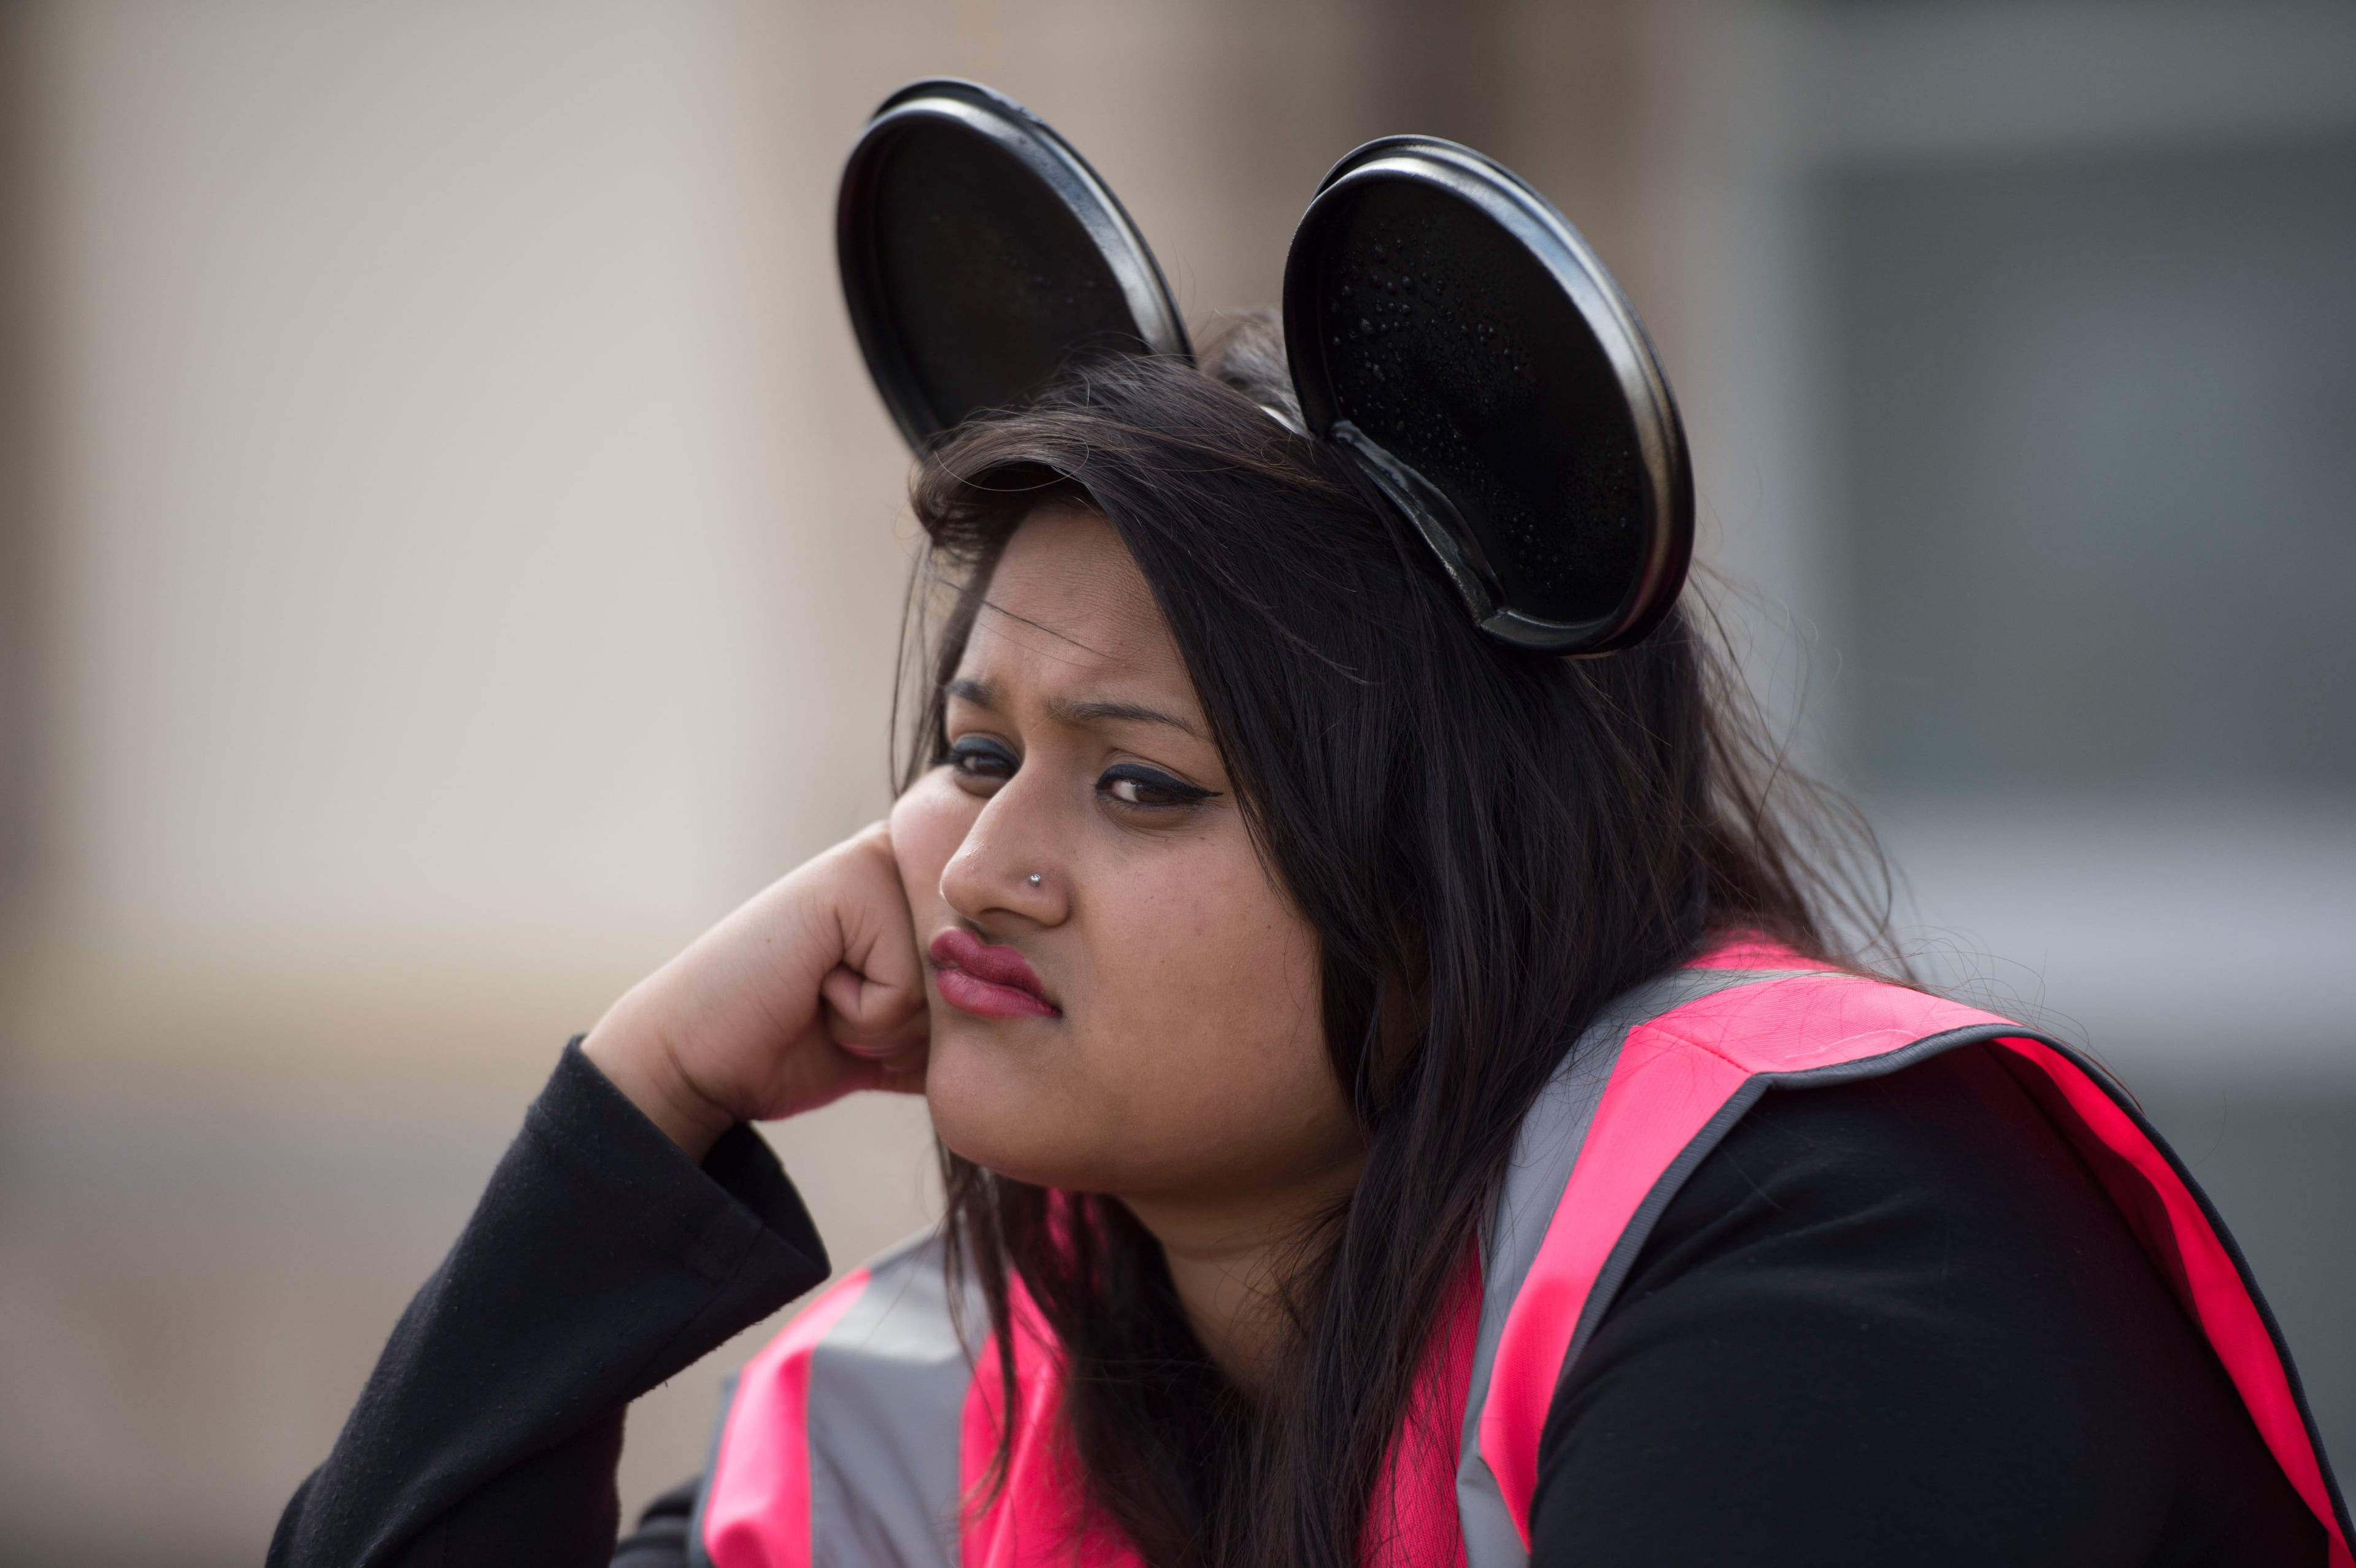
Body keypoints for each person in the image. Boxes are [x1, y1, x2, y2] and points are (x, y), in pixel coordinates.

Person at [269, 86, 2347, 1568]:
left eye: (1140, 779)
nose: (978, 864)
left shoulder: (1831, 1238)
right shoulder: (939, 1400)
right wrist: (647, 1093)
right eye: (976, 752)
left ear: (1447, 888)